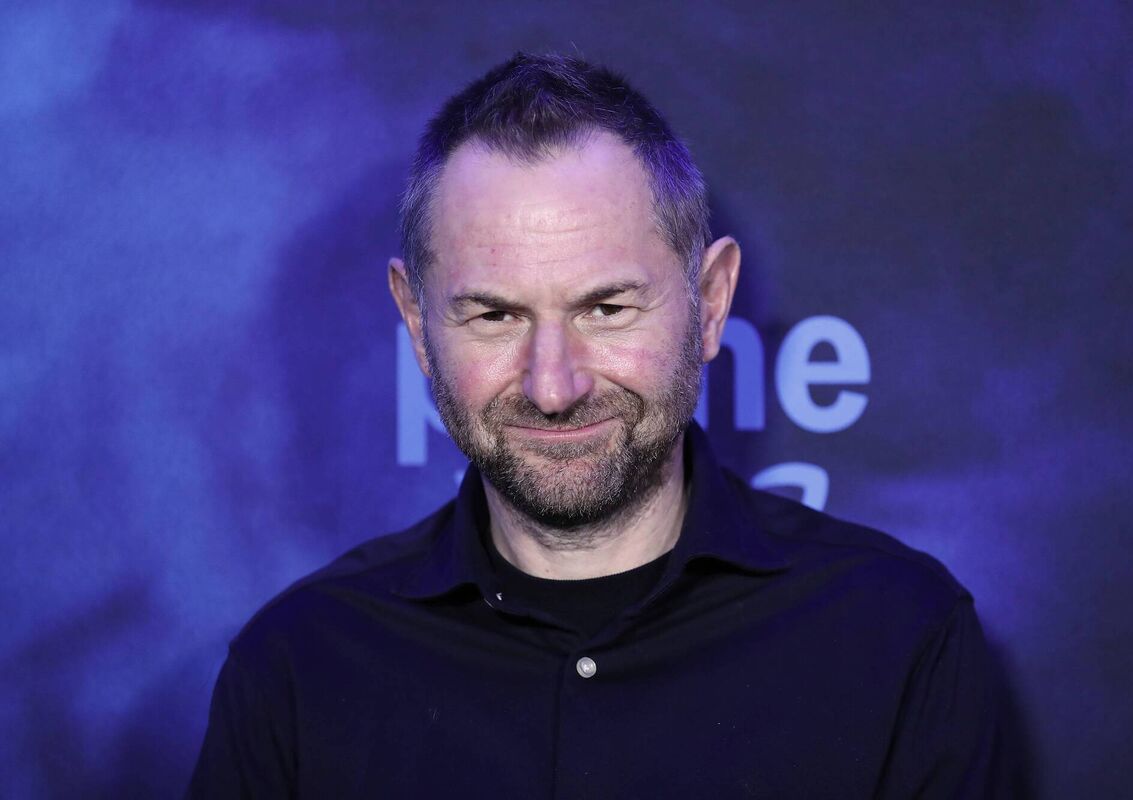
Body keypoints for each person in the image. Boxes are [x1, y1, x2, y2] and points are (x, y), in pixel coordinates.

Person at [188, 53, 1004, 798]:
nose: (553, 386)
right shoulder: (297, 671)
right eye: (495, 316)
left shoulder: (896, 638)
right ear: (415, 321)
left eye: (607, 309)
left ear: (711, 302)